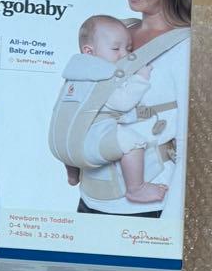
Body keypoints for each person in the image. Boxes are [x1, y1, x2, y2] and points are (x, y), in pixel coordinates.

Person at [76, 0, 191, 220]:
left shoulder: (186, 46)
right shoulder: (114, 30)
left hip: (144, 209)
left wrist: (170, 225)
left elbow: (188, 145)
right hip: (90, 198)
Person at [61, 14, 171, 205]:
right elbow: (123, 103)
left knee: (70, 137)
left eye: (128, 48)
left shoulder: (74, 74)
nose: (125, 55)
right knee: (133, 142)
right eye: (115, 49)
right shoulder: (100, 78)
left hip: (63, 143)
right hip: (89, 139)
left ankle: (73, 175)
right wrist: (140, 78)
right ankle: (136, 189)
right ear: (89, 52)